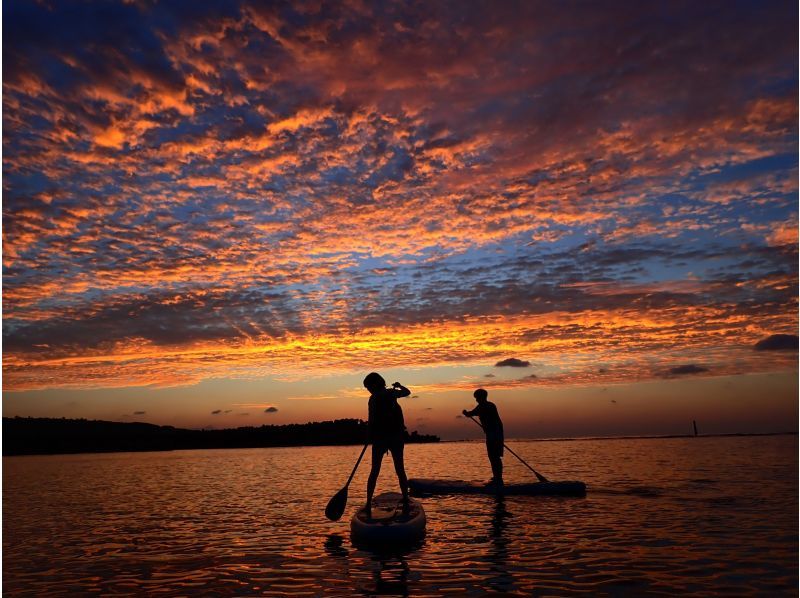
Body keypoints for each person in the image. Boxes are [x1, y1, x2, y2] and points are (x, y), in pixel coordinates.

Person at [363, 372, 411, 519]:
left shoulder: (373, 398)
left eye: (368, 387)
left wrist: (369, 436)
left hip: (381, 438)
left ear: (374, 385)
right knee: (399, 469)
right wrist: (399, 386)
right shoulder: (390, 393)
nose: (368, 390)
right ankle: (406, 498)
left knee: (375, 470)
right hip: (394, 437)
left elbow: (371, 421)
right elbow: (407, 392)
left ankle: (368, 502)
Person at [463, 388, 504, 486]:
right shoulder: (489, 405)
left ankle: (498, 479)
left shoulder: (484, 406)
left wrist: (465, 413)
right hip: (496, 433)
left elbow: (471, 414)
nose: (476, 400)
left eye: (477, 398)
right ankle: (497, 478)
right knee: (495, 457)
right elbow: (473, 413)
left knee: (494, 456)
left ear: (481, 397)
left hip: (494, 434)